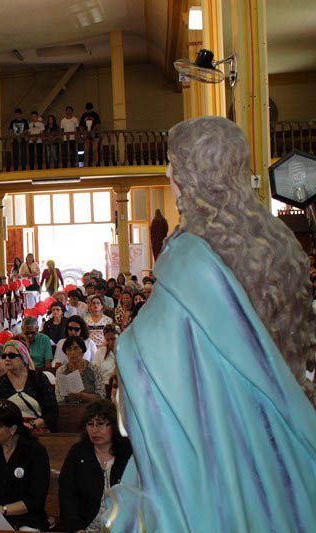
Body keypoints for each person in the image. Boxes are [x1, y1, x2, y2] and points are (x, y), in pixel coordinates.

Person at [110, 117, 316, 531]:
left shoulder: (189, 256)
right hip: (285, 445)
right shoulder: (282, 242)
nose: (168, 173)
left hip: (218, 452)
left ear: (194, 171)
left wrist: (126, 346)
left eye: (172, 163)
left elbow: (146, 355)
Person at [0, 399, 50, 531]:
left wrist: (1, 510)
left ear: (13, 429)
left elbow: (35, 500)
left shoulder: (35, 451)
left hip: (27, 519)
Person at [60, 399, 132, 533]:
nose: (94, 430)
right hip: (85, 528)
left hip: (121, 527)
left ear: (114, 426)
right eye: (90, 424)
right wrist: (77, 528)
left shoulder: (127, 452)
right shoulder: (78, 452)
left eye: (100, 424)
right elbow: (67, 495)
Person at [0, 340, 58, 432]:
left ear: (23, 357)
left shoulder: (39, 378)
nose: (7, 359)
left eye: (12, 355)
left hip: (36, 428)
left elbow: (52, 411)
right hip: (9, 431)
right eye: (4, 356)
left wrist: (33, 424)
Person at [55, 336, 105, 404]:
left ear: (83, 350)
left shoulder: (94, 369)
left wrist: (82, 396)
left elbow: (101, 396)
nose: (72, 352)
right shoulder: (61, 371)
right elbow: (59, 399)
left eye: (76, 348)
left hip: (92, 409)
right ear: (65, 352)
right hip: (69, 410)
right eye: (69, 349)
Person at [79, 102, 101, 166]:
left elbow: (98, 124)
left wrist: (93, 131)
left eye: (90, 109)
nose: (89, 110)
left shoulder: (95, 115)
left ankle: (95, 163)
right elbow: (81, 126)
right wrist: (84, 133)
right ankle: (86, 164)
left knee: (95, 150)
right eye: (88, 109)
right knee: (86, 150)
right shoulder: (84, 115)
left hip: (94, 135)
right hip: (87, 134)